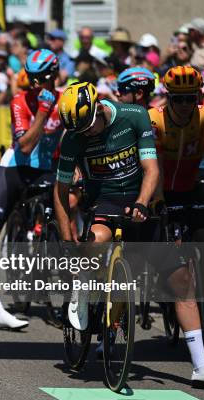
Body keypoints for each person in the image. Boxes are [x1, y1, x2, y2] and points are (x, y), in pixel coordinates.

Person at [54, 82, 160, 329]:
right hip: (103, 199)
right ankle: (83, 284)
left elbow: (151, 168)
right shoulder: (74, 137)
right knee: (97, 240)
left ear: (99, 108)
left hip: (137, 196)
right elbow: (59, 191)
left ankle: (112, 327)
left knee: (131, 272)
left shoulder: (134, 116)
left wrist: (143, 203)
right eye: (79, 131)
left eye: (88, 128)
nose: (86, 134)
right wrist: (68, 240)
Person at [149, 66, 204, 387]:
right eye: (177, 99)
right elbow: (152, 164)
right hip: (163, 188)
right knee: (174, 263)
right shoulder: (154, 120)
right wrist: (157, 200)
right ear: (168, 97)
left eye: (190, 98)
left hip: (193, 187)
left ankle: (203, 295)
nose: (183, 105)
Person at [0, 50, 64, 327]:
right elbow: (26, 146)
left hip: (49, 169)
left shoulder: (66, 102)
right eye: (31, 77)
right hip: (16, 167)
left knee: (71, 213)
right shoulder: (20, 102)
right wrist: (42, 111)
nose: (35, 83)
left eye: (41, 77)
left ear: (54, 75)